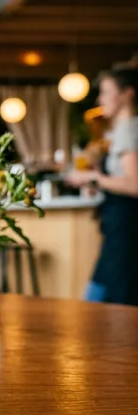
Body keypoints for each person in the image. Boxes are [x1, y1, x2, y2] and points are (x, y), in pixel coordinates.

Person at [67, 66, 138, 305]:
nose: (101, 99)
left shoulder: (129, 129)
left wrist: (92, 179)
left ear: (127, 94)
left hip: (127, 229)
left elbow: (135, 184)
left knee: (108, 301)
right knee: (100, 296)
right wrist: (100, 180)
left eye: (107, 92)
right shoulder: (121, 130)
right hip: (119, 226)